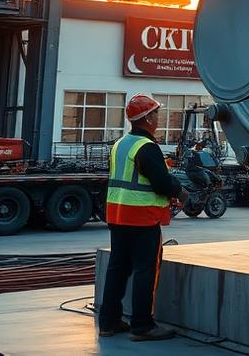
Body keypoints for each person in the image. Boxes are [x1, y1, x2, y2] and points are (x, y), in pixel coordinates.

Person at [98, 94, 189, 341]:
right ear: (147, 118)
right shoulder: (146, 147)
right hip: (142, 218)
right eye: (156, 114)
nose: (159, 118)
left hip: (117, 216)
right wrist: (181, 192)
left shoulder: (121, 144)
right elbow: (160, 182)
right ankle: (142, 325)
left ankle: (108, 322)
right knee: (146, 270)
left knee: (117, 269)